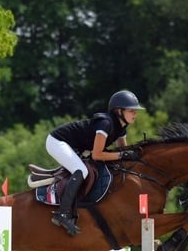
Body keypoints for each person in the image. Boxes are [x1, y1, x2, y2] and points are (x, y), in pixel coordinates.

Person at [46, 89, 144, 236]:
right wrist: (122, 154)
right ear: (119, 111)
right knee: (81, 171)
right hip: (57, 141)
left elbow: (123, 150)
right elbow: (97, 155)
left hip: (74, 146)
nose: (135, 114)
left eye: (135, 111)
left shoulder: (121, 127)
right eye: (131, 110)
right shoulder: (106, 123)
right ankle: (63, 213)